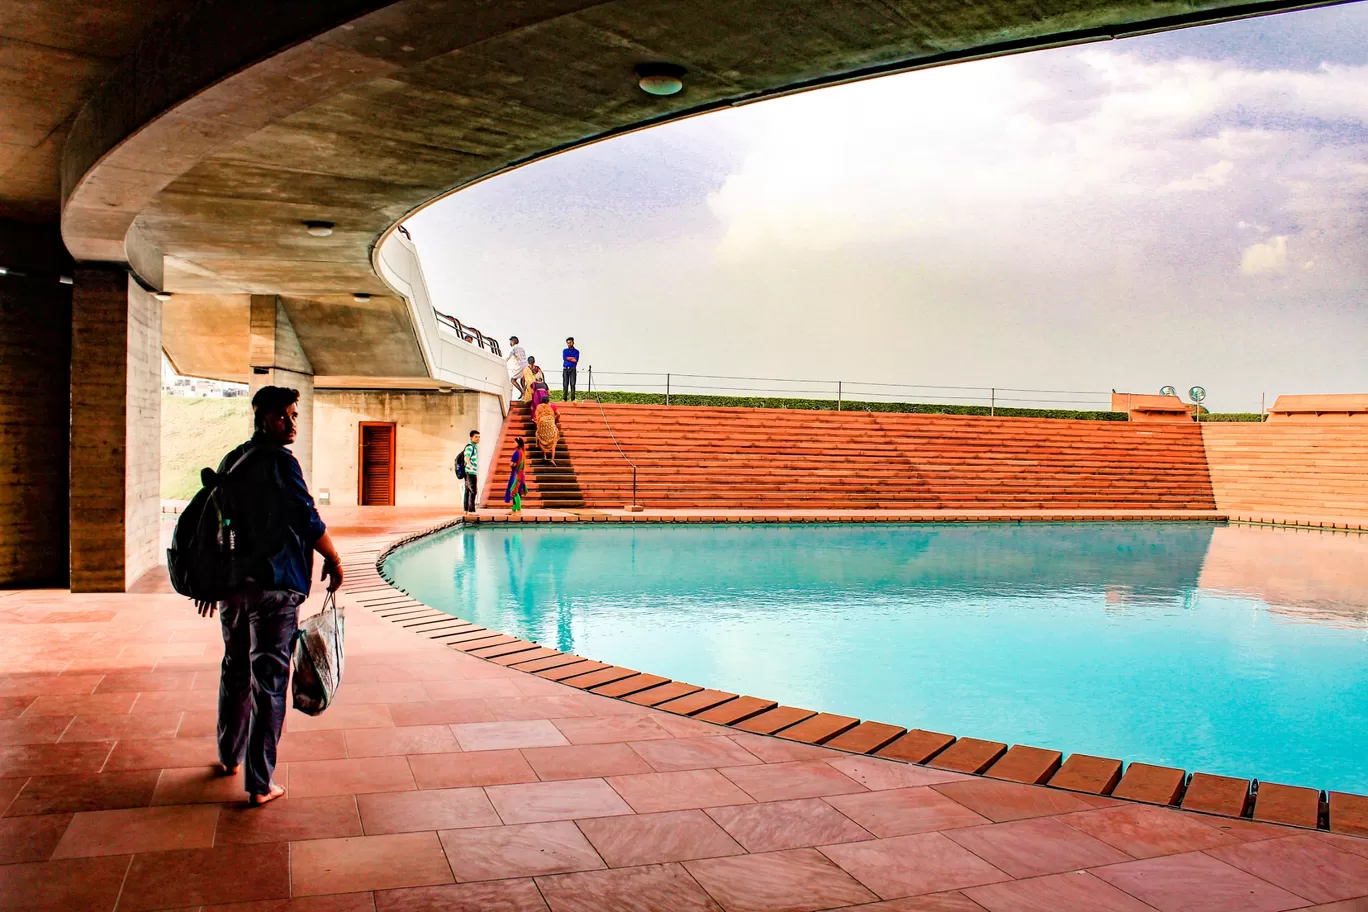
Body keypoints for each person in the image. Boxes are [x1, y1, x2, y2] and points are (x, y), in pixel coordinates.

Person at [196, 386, 343, 807]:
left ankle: (229, 756)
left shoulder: (234, 460)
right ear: (261, 416)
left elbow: (223, 527)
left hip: (235, 590)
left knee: (235, 669)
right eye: (283, 416)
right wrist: (333, 558)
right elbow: (307, 517)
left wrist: (216, 579)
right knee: (270, 681)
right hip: (274, 589)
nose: (291, 423)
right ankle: (260, 783)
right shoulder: (281, 463)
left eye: (294, 415)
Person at [505, 436, 527, 511]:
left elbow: (511, 464)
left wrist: (513, 464)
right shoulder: (522, 452)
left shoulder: (517, 452)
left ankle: (518, 509)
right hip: (521, 474)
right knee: (516, 491)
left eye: (514, 442)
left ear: (518, 444)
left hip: (516, 475)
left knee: (514, 491)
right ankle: (514, 509)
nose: (513, 443)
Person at [534, 401, 560, 465]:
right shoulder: (552, 406)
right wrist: (555, 420)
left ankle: (544, 455)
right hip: (551, 425)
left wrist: (538, 423)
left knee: (540, 436)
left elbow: (536, 417)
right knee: (554, 440)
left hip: (542, 425)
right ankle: (552, 459)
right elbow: (558, 414)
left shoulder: (539, 407)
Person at [461, 429, 479, 512]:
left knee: (468, 491)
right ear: (471, 438)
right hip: (470, 472)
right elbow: (466, 458)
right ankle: (471, 510)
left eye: (479, 437)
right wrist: (470, 466)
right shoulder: (470, 447)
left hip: (471, 471)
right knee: (473, 491)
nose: (478, 439)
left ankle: (466, 509)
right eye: (476, 437)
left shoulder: (474, 447)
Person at [562, 337, 580, 403]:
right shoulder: (565, 350)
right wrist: (572, 358)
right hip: (565, 369)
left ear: (573, 342)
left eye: (570, 342)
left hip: (573, 369)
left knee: (572, 384)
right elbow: (564, 358)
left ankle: (573, 399)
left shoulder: (576, 351)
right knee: (565, 384)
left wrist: (568, 358)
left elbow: (576, 360)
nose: (569, 344)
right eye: (568, 343)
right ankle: (564, 399)